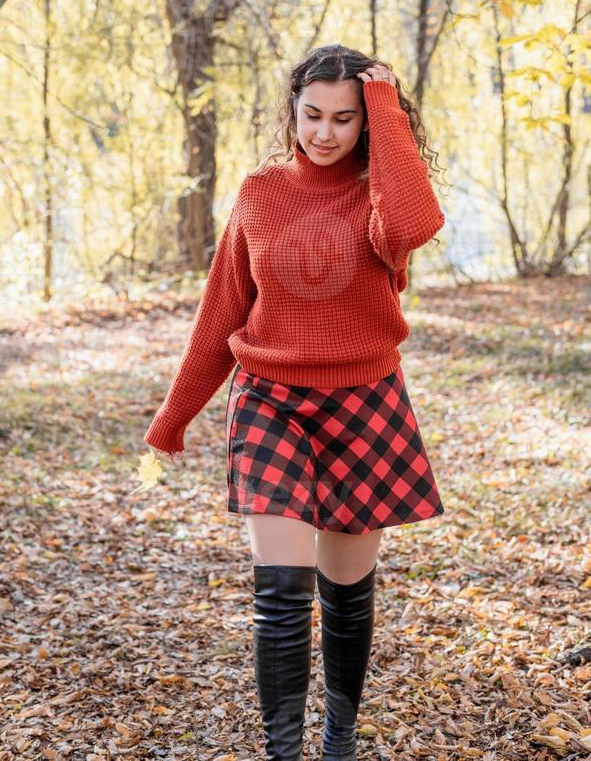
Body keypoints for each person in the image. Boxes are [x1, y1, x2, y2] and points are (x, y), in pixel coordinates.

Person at [143, 43, 448, 760]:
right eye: (312, 115)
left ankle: (337, 739)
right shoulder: (258, 193)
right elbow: (222, 313)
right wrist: (172, 418)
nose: (324, 133)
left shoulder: (381, 195)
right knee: (281, 592)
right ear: (292, 112)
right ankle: (285, 752)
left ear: (366, 124)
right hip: (270, 403)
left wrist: (387, 110)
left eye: (344, 119)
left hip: (365, 404)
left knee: (345, 595)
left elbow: (411, 227)